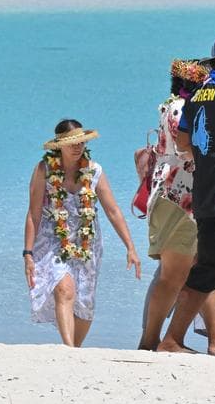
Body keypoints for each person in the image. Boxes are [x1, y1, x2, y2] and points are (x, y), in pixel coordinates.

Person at [157, 32, 215, 355]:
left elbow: (184, 142)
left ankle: (206, 339)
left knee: (212, 266)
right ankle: (175, 340)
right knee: (209, 268)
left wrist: (209, 156)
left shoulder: (199, 94)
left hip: (205, 190)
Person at [24, 119, 142, 347]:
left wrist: (130, 247)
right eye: (72, 143)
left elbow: (113, 210)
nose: (78, 147)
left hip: (87, 243)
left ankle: (75, 351)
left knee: (85, 303)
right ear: (59, 146)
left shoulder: (94, 170)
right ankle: (68, 349)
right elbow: (33, 214)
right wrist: (27, 253)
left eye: (81, 142)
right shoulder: (44, 170)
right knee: (64, 289)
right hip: (53, 240)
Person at [137, 58, 215, 351]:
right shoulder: (183, 109)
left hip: (176, 196)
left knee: (200, 269)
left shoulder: (170, 107)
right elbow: (188, 149)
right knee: (173, 275)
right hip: (180, 197)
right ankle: (151, 340)